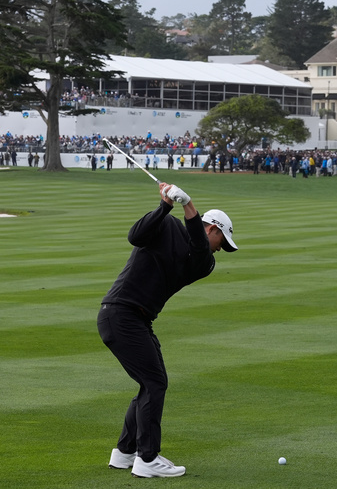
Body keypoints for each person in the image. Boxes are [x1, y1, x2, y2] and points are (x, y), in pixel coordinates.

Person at [98, 181, 238, 478]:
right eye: (221, 242)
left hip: (134, 319)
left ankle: (124, 453)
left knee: (151, 382)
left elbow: (199, 249)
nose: (220, 250)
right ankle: (147, 459)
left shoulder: (205, 261)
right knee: (154, 383)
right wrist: (165, 206)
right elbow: (135, 236)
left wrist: (188, 206)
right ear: (212, 228)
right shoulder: (167, 225)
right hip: (121, 314)